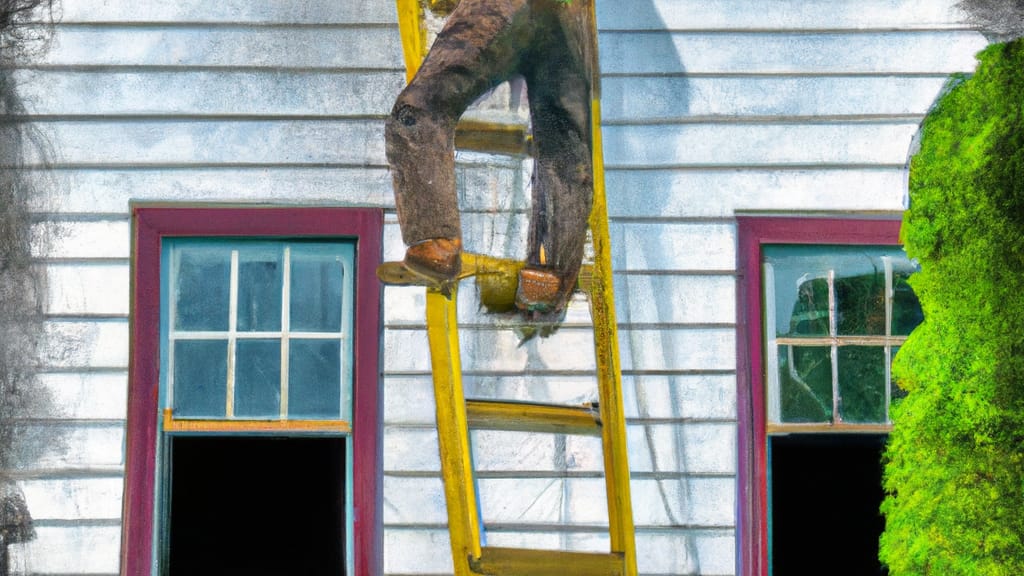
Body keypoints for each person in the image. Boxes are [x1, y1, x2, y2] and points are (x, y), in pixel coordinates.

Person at [381, 0, 594, 319]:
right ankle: (549, 276)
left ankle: (437, 241)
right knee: (562, 143)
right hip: (571, 11)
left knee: (420, 109)